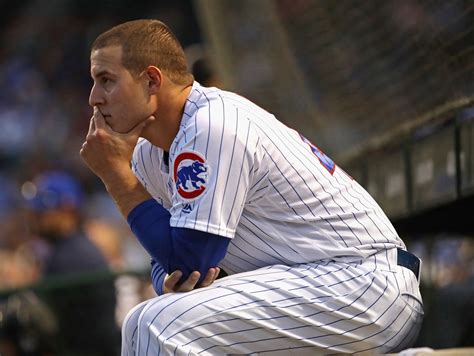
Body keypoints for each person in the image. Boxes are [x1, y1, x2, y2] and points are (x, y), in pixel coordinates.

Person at [80, 19, 424, 355]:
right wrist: (169, 279)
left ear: (152, 80)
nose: (95, 98)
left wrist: (116, 177)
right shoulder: (148, 154)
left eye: (106, 80)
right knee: (142, 318)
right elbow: (168, 259)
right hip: (310, 285)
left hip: (362, 283)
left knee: (160, 323)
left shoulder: (212, 124)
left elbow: (188, 260)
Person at [24, 170, 120, 355]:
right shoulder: (72, 247)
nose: (35, 218)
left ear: (68, 210)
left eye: (42, 212)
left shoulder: (72, 256)